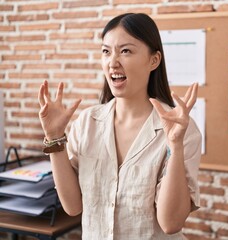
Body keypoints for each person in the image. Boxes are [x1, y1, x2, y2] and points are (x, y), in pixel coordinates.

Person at [38, 13, 201, 239]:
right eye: (106, 51)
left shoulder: (181, 129)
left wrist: (175, 145)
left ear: (154, 60)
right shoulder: (87, 123)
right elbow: (73, 206)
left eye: (125, 51)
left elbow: (170, 223)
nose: (113, 62)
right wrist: (55, 137)